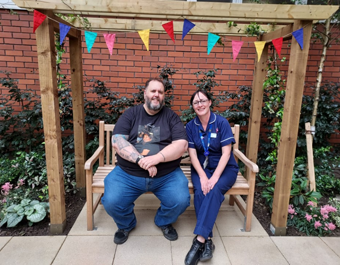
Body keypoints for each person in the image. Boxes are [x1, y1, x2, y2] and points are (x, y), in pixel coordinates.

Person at [102, 78, 190, 245]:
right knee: (112, 201)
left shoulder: (171, 117)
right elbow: (117, 141)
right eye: (153, 91)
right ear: (145, 93)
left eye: (160, 92)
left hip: (166, 174)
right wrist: (141, 160)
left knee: (180, 200)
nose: (156, 95)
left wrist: (156, 159)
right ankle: (126, 225)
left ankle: (163, 221)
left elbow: (181, 145)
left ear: (164, 96)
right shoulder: (130, 114)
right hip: (128, 173)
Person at [184, 89, 239, 265]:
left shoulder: (221, 123)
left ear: (209, 103)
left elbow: (226, 153)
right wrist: (202, 176)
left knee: (213, 190)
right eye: (196, 102)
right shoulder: (191, 126)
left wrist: (214, 178)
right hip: (201, 167)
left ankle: (199, 241)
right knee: (200, 191)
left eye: (202, 100)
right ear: (193, 107)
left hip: (225, 168)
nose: (199, 104)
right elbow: (192, 155)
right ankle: (208, 241)